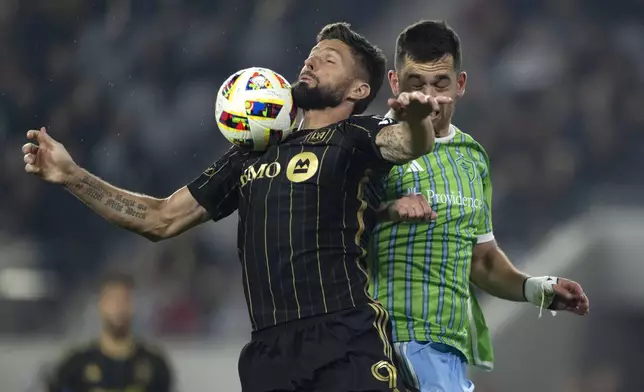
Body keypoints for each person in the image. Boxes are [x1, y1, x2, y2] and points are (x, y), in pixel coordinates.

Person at [23, 22, 451, 392]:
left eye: (329, 59)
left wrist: (414, 119)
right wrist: (72, 176)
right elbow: (161, 218)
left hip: (343, 335)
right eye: (311, 55)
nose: (310, 63)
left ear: (359, 89)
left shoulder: (357, 135)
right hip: (269, 351)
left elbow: (407, 144)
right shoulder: (252, 150)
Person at [370, 20, 590, 392]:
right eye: (415, 84)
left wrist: (536, 288)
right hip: (386, 340)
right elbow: (334, 222)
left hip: (448, 347)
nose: (429, 97)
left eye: (440, 83)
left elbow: (482, 259)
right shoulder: (370, 143)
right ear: (395, 84)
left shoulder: (472, 157)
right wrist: (389, 208)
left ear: (460, 85)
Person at [46, 273, 173, 392]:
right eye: (112, 299)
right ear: (101, 305)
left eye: (124, 299)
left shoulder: (155, 366)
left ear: (132, 305)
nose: (118, 307)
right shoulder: (75, 367)